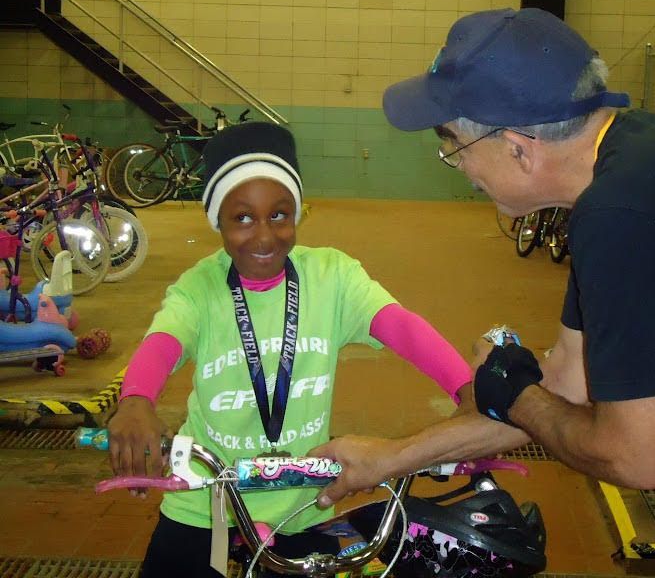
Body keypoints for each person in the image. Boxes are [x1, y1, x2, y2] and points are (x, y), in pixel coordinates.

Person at [308, 8, 655, 577]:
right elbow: (565, 385)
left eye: (451, 141)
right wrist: (390, 457)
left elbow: (634, 457)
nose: (456, 164)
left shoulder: (626, 217)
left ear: (518, 147)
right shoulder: (635, 162)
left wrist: (516, 393)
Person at [106, 121, 475, 578]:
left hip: (305, 502)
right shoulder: (199, 288)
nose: (263, 236)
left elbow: (402, 328)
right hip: (208, 502)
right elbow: (163, 343)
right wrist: (136, 399)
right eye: (242, 217)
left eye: (279, 215)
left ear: (296, 213)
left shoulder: (332, 278)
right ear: (216, 220)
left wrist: (470, 391)